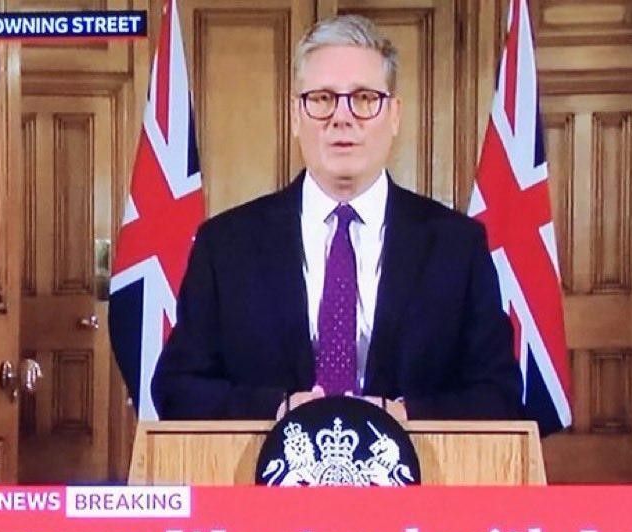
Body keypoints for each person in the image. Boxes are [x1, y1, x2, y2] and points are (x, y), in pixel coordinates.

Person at [151, 14, 522, 422]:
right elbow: (177, 388)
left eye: (364, 98)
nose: (342, 118)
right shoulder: (225, 245)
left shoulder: (457, 246)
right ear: (296, 115)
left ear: (394, 115)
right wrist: (279, 410)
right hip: (266, 477)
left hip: (414, 478)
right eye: (323, 98)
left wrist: (404, 416)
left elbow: (499, 394)